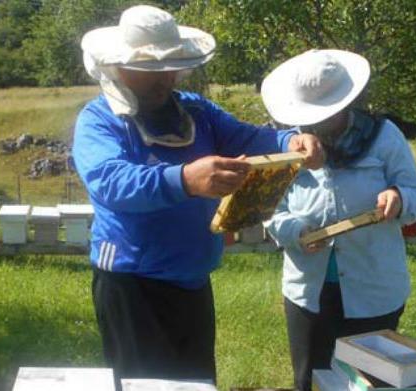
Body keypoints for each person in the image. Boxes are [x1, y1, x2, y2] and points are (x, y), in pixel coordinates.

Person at [72, 5, 324, 389]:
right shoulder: (99, 119)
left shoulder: (195, 109)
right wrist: (186, 179)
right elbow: (110, 181)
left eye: (171, 66)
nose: (166, 78)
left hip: (192, 279)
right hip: (132, 285)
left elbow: (248, 136)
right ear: (118, 66)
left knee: (196, 384)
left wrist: (290, 139)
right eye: (152, 69)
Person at [261, 49, 416, 391]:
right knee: (311, 380)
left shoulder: (384, 136)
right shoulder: (283, 142)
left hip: (374, 286)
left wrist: (399, 198)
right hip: (308, 290)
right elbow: (269, 209)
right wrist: (296, 231)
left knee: (370, 381)